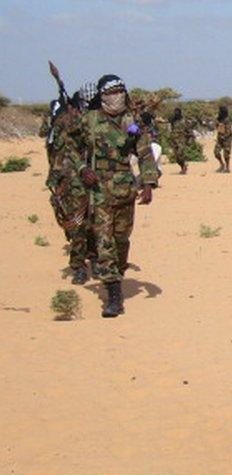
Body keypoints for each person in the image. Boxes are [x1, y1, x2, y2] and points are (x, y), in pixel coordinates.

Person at [77, 75, 158, 317]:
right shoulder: (89, 121)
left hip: (125, 189)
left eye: (121, 91)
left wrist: (148, 183)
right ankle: (113, 296)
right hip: (99, 190)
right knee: (104, 241)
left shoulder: (131, 122)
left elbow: (144, 153)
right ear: (102, 96)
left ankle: (117, 273)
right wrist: (83, 169)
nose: (118, 96)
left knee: (122, 239)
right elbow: (71, 149)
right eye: (113, 92)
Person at [48, 85, 97, 285]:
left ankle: (95, 258)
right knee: (77, 224)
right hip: (71, 181)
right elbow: (54, 152)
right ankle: (78, 265)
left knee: (95, 223)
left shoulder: (98, 120)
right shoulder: (64, 122)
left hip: (96, 179)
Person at [168, 107, 197, 175]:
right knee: (177, 157)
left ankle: (184, 167)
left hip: (182, 140)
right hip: (174, 140)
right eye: (175, 112)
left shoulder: (184, 121)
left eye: (177, 112)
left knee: (180, 153)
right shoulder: (173, 121)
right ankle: (183, 167)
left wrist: (190, 138)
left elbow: (191, 127)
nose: (176, 114)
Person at [214, 105, 232, 172]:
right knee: (216, 152)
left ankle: (227, 168)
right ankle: (222, 164)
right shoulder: (218, 119)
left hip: (227, 139)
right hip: (219, 138)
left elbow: (229, 130)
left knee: (226, 154)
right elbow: (216, 126)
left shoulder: (227, 120)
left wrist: (224, 136)